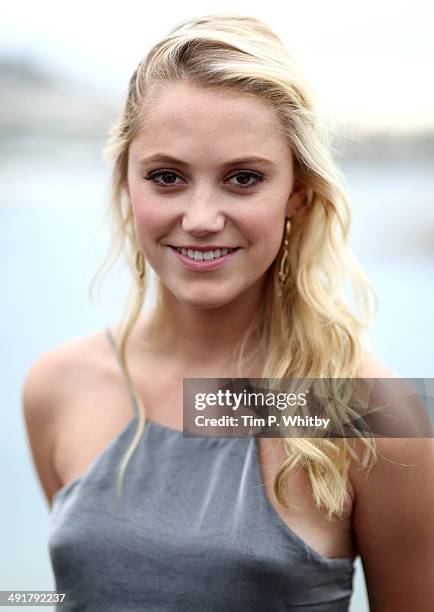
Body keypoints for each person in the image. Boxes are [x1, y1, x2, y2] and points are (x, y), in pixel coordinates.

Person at [22, 12, 433, 612]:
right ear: (124, 182)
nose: (201, 217)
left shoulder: (372, 413)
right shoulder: (58, 386)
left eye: (243, 178)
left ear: (297, 192)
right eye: (166, 177)